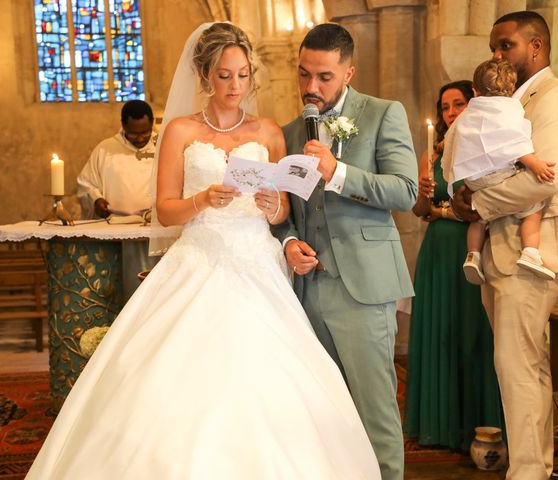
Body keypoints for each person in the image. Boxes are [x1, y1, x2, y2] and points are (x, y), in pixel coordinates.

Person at [26, 22, 381, 480]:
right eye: (224, 76)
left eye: (243, 75)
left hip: (257, 267)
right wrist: (201, 200)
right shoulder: (179, 131)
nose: (235, 86)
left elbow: (281, 214)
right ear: (205, 76)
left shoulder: (271, 132)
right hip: (198, 260)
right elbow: (165, 212)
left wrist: (273, 206)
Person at [273, 23, 418, 480]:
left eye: (323, 77)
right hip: (307, 290)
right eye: (303, 75)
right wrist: (288, 242)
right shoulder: (289, 131)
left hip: (363, 287)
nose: (311, 88)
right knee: (321, 413)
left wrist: (339, 173)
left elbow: (405, 191)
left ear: (349, 72)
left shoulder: (382, 113)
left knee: (375, 413)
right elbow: (285, 211)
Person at [452, 11, 558, 479]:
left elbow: (539, 181)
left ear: (537, 46)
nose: (496, 55)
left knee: (519, 368)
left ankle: (528, 473)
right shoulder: (502, 100)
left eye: (505, 45)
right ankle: (530, 467)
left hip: (539, 248)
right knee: (516, 367)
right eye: (493, 47)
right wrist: (460, 192)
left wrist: (478, 203)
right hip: (501, 249)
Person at [404, 80, 503, 452]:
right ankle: (442, 426)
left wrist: (441, 211)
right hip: (436, 254)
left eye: (457, 104)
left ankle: (480, 423)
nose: (450, 113)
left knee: (475, 335)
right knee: (442, 335)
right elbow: (420, 213)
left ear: (472, 104)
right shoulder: (432, 155)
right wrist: (422, 192)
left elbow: (481, 209)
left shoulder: (485, 146)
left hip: (472, 253)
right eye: (445, 107)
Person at [442, 59, 557, 285]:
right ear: (511, 88)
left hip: (474, 179)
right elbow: (513, 142)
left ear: (474, 91)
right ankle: (531, 253)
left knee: (479, 216)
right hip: (498, 175)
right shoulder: (509, 109)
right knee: (533, 209)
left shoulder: (469, 113)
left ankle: (472, 255)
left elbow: (451, 139)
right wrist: (535, 164)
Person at [76, 99, 159, 301]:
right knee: (125, 289)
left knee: (153, 290)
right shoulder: (105, 150)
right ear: (123, 126)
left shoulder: (164, 146)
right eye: (134, 133)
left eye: (145, 132)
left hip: (155, 230)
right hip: (117, 233)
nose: (140, 139)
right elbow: (85, 183)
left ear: (152, 125)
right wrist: (96, 200)